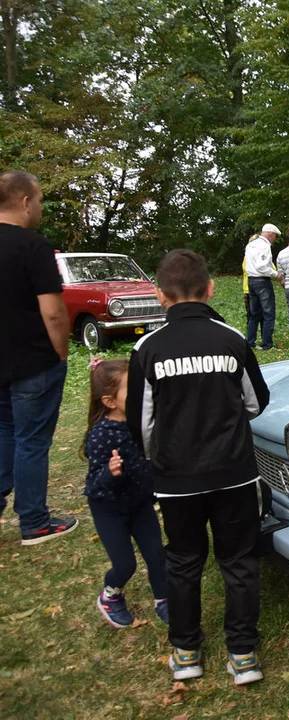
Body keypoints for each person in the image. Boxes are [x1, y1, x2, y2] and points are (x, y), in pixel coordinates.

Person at [127, 249, 270, 686]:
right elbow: (255, 402)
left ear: (159, 295)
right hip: (234, 476)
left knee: (184, 561)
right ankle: (242, 656)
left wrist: (164, 462)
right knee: (240, 561)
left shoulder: (147, 348)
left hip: (176, 481)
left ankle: (186, 653)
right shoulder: (231, 339)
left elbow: (141, 423)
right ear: (209, 290)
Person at [0, 170, 79, 545]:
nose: (42, 208)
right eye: (41, 200)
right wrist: (60, 353)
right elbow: (52, 311)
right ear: (25, 201)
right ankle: (34, 521)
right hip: (33, 361)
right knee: (32, 440)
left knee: (3, 433)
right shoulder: (33, 246)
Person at [82, 358, 168, 628]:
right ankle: (110, 595)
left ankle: (164, 600)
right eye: (133, 392)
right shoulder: (101, 436)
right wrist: (110, 473)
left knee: (157, 556)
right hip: (109, 510)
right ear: (109, 401)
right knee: (125, 564)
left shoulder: (143, 425)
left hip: (140, 504)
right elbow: (94, 485)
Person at [244, 223, 283, 350]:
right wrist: (275, 274)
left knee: (254, 314)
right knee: (268, 313)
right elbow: (262, 266)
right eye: (275, 237)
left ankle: (250, 342)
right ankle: (267, 344)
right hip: (262, 282)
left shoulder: (250, 245)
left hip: (251, 281)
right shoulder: (265, 246)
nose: (275, 239)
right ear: (270, 234)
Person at [241, 234, 260, 326]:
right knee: (251, 315)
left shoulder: (259, 256)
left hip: (251, 288)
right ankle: (251, 338)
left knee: (260, 315)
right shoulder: (247, 257)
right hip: (249, 289)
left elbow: (273, 267)